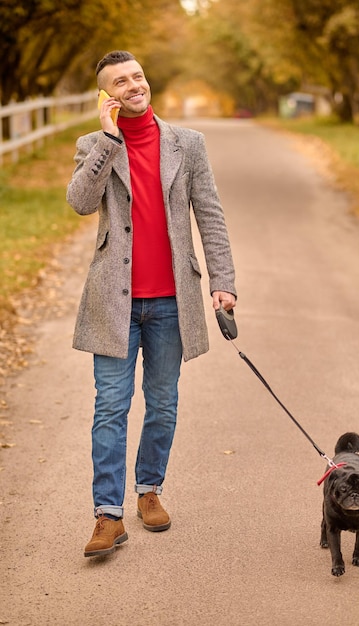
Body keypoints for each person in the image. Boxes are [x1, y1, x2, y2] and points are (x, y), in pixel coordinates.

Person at [66, 50, 236, 557]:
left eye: (137, 76)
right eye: (120, 82)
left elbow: (210, 214)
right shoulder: (94, 145)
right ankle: (107, 515)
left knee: (162, 404)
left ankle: (149, 490)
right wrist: (109, 140)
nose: (133, 85)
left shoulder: (188, 144)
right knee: (110, 408)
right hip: (113, 303)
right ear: (107, 95)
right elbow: (79, 201)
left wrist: (222, 281)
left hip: (170, 301)